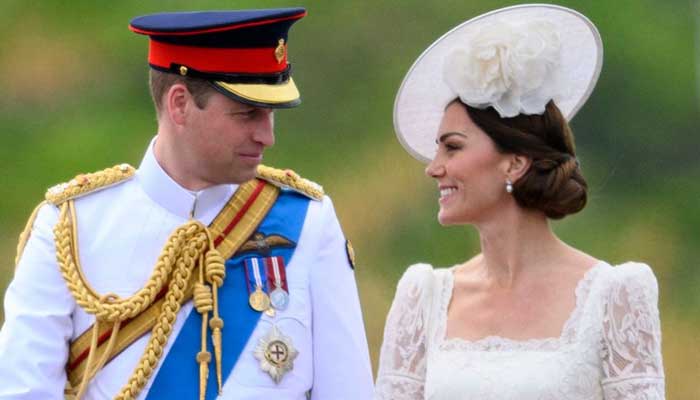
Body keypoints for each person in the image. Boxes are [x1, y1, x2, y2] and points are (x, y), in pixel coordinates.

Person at [0, 8, 374, 400]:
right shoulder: (69, 228)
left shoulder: (307, 221)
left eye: (270, 115)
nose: (267, 136)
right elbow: (23, 391)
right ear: (180, 104)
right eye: (247, 114)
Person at [375, 4, 665, 399]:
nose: (434, 168)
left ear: (514, 163)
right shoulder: (423, 298)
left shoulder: (613, 295)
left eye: (452, 147)